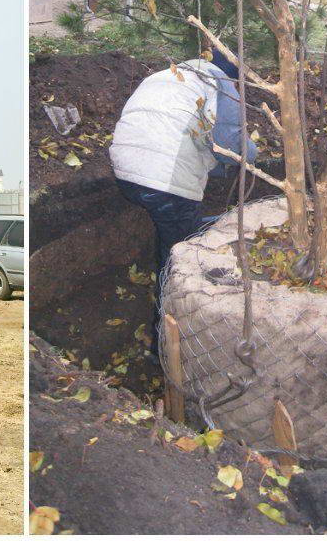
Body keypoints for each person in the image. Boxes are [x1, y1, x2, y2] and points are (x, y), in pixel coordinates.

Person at [110, 49, 257, 354]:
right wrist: (254, 155)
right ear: (230, 73)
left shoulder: (165, 76)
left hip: (125, 169)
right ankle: (163, 343)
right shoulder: (220, 84)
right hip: (163, 181)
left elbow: (181, 133)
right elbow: (231, 146)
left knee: (176, 225)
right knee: (178, 256)